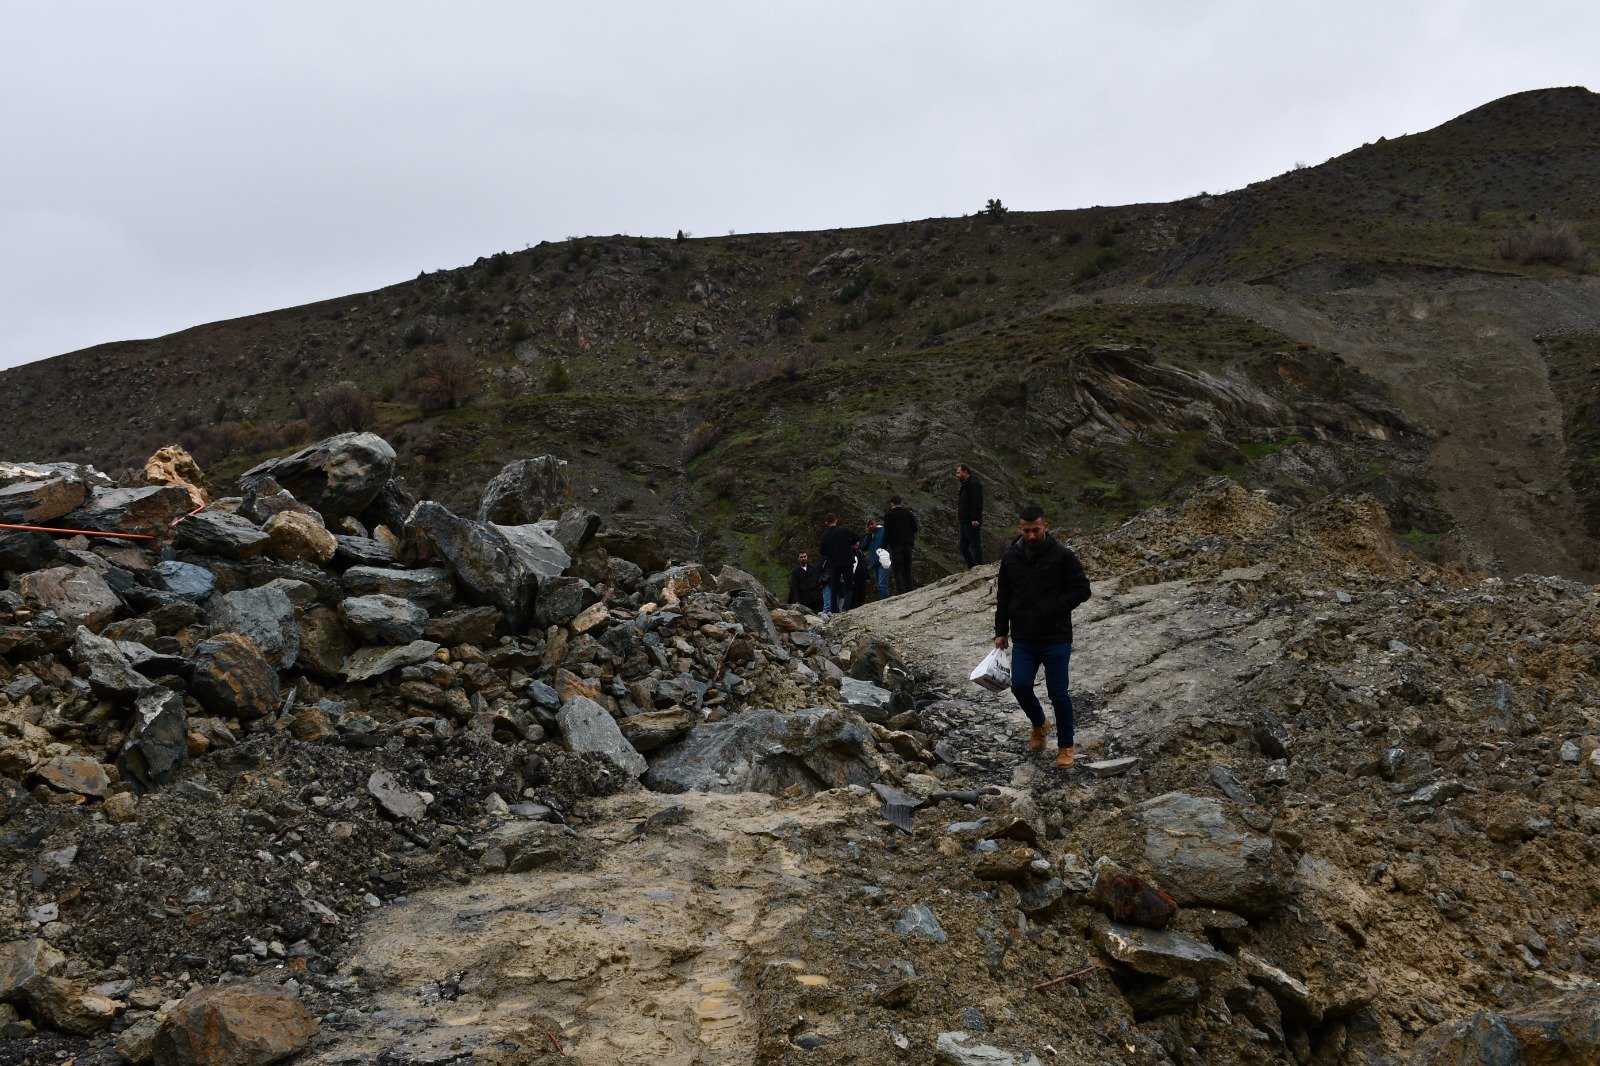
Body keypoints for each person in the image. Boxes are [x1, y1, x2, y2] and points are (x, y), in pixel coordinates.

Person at [993, 505, 1091, 769]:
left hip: (1056, 637)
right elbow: (1003, 597)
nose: (1031, 535)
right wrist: (1001, 631)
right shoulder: (1011, 558)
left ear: (1045, 526)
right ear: (1020, 529)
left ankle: (1066, 746)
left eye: (1035, 529)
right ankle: (1039, 723)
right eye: (1026, 530)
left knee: (1058, 693)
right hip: (1024, 638)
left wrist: (1057, 606)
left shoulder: (1062, 556)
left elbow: (1082, 588)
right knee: (1020, 686)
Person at [818, 515, 858, 615]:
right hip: (847, 561)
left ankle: (833, 611)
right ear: (836, 520)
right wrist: (848, 544)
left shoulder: (825, 536)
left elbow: (822, 552)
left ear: (826, 522)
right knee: (849, 585)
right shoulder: (844, 530)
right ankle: (847, 608)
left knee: (834, 587)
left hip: (834, 563)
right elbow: (856, 537)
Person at [883, 497, 917, 594]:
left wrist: (883, 547)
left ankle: (902, 591)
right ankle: (909, 588)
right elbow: (915, 529)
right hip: (908, 544)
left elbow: (887, 533)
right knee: (907, 567)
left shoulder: (888, 515)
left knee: (898, 569)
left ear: (892, 504)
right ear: (901, 503)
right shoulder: (909, 514)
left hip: (896, 545)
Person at [957, 463, 984, 568]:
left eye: (958, 472)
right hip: (964, 521)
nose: (956, 475)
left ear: (965, 472)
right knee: (963, 547)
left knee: (975, 546)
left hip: (971, 520)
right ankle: (972, 568)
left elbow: (977, 501)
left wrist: (975, 518)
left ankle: (979, 569)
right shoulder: (965, 485)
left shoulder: (973, 483)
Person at [860, 517, 890, 601]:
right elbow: (863, 547)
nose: (870, 526)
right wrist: (868, 535)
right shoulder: (870, 535)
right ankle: (884, 600)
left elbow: (889, 544)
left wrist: (888, 556)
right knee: (878, 585)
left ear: (876, 522)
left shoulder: (883, 531)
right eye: (868, 525)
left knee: (882, 583)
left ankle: (886, 602)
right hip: (874, 562)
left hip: (883, 561)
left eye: (872, 523)